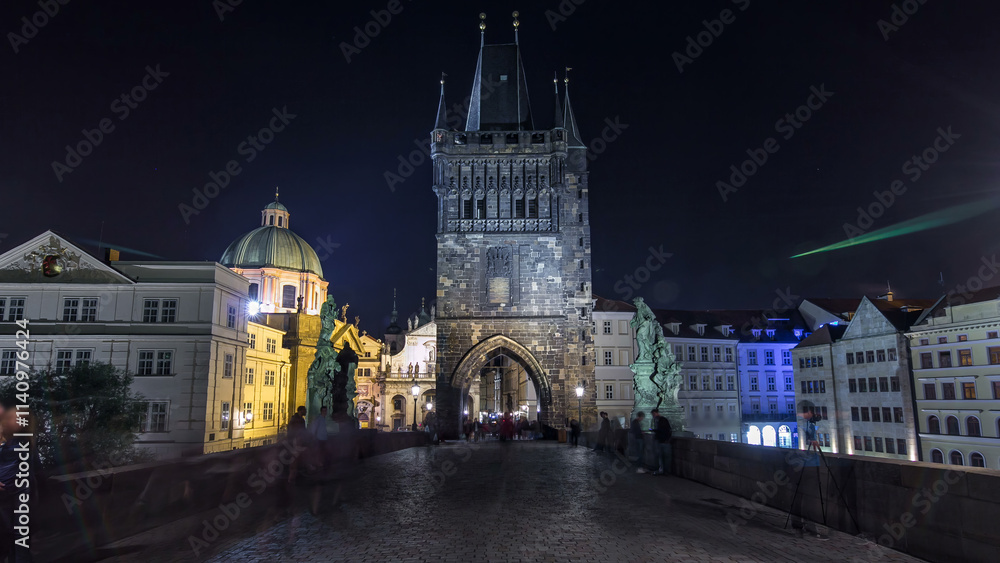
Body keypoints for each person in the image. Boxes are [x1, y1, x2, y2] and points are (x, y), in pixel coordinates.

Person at [0, 401, 34, 562]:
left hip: (20, 492)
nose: (13, 420)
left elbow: (36, 468)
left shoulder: (24, 442)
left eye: (19, 418)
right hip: (3, 495)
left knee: (20, 534)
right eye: (11, 417)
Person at [651, 408, 672, 475]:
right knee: (665, 457)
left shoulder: (660, 420)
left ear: (656, 413)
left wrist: (654, 431)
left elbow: (661, 430)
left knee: (663, 457)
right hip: (664, 441)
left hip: (663, 441)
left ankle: (663, 470)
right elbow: (668, 430)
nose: (653, 416)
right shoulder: (663, 420)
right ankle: (665, 471)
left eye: (653, 414)